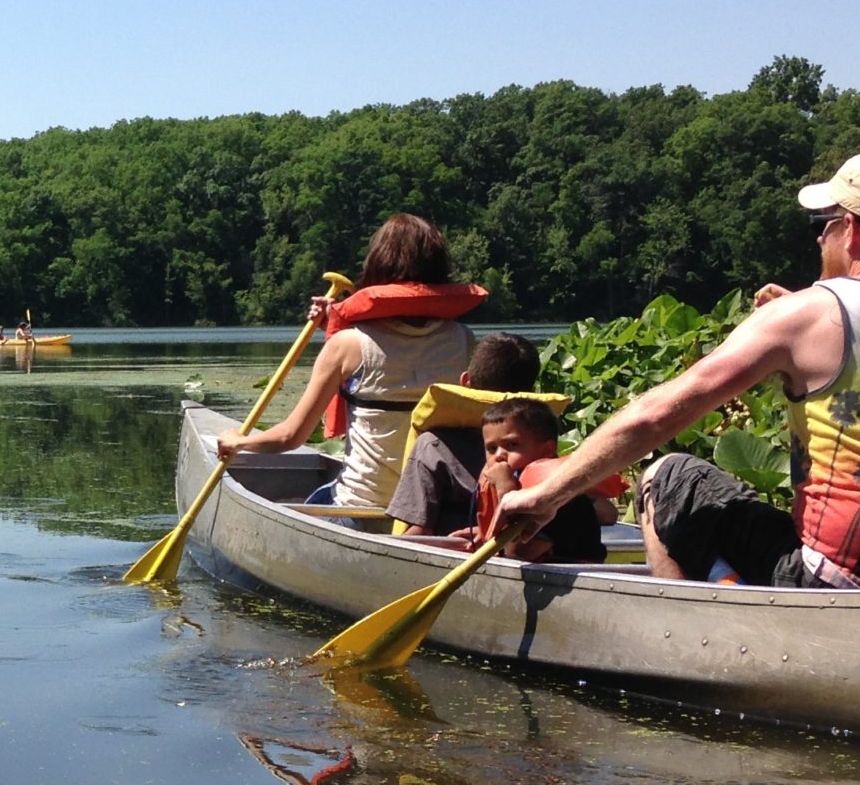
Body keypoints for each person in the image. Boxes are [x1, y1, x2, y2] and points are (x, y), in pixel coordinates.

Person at [492, 153, 860, 588]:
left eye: (822, 224)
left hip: (836, 582)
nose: (819, 237)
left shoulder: (808, 314)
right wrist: (800, 307)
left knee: (670, 477)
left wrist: (546, 496)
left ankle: (685, 639)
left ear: (851, 228)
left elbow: (654, 417)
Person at [216, 214, 484, 511]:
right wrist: (336, 325)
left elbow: (290, 437)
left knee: (315, 500)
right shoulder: (464, 340)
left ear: (377, 266)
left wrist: (238, 442)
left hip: (364, 506)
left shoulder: (348, 346)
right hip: (433, 510)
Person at [388, 332, 542, 538]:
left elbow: (420, 531)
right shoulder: (536, 440)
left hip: (457, 550)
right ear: (530, 392)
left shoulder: (433, 445)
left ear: (465, 382)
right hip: (521, 544)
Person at [470, 398, 608, 562]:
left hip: (576, 578)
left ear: (547, 450)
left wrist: (504, 487)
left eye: (512, 444)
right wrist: (485, 532)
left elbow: (517, 551)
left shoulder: (554, 491)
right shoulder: (520, 479)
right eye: (492, 448)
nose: (499, 455)